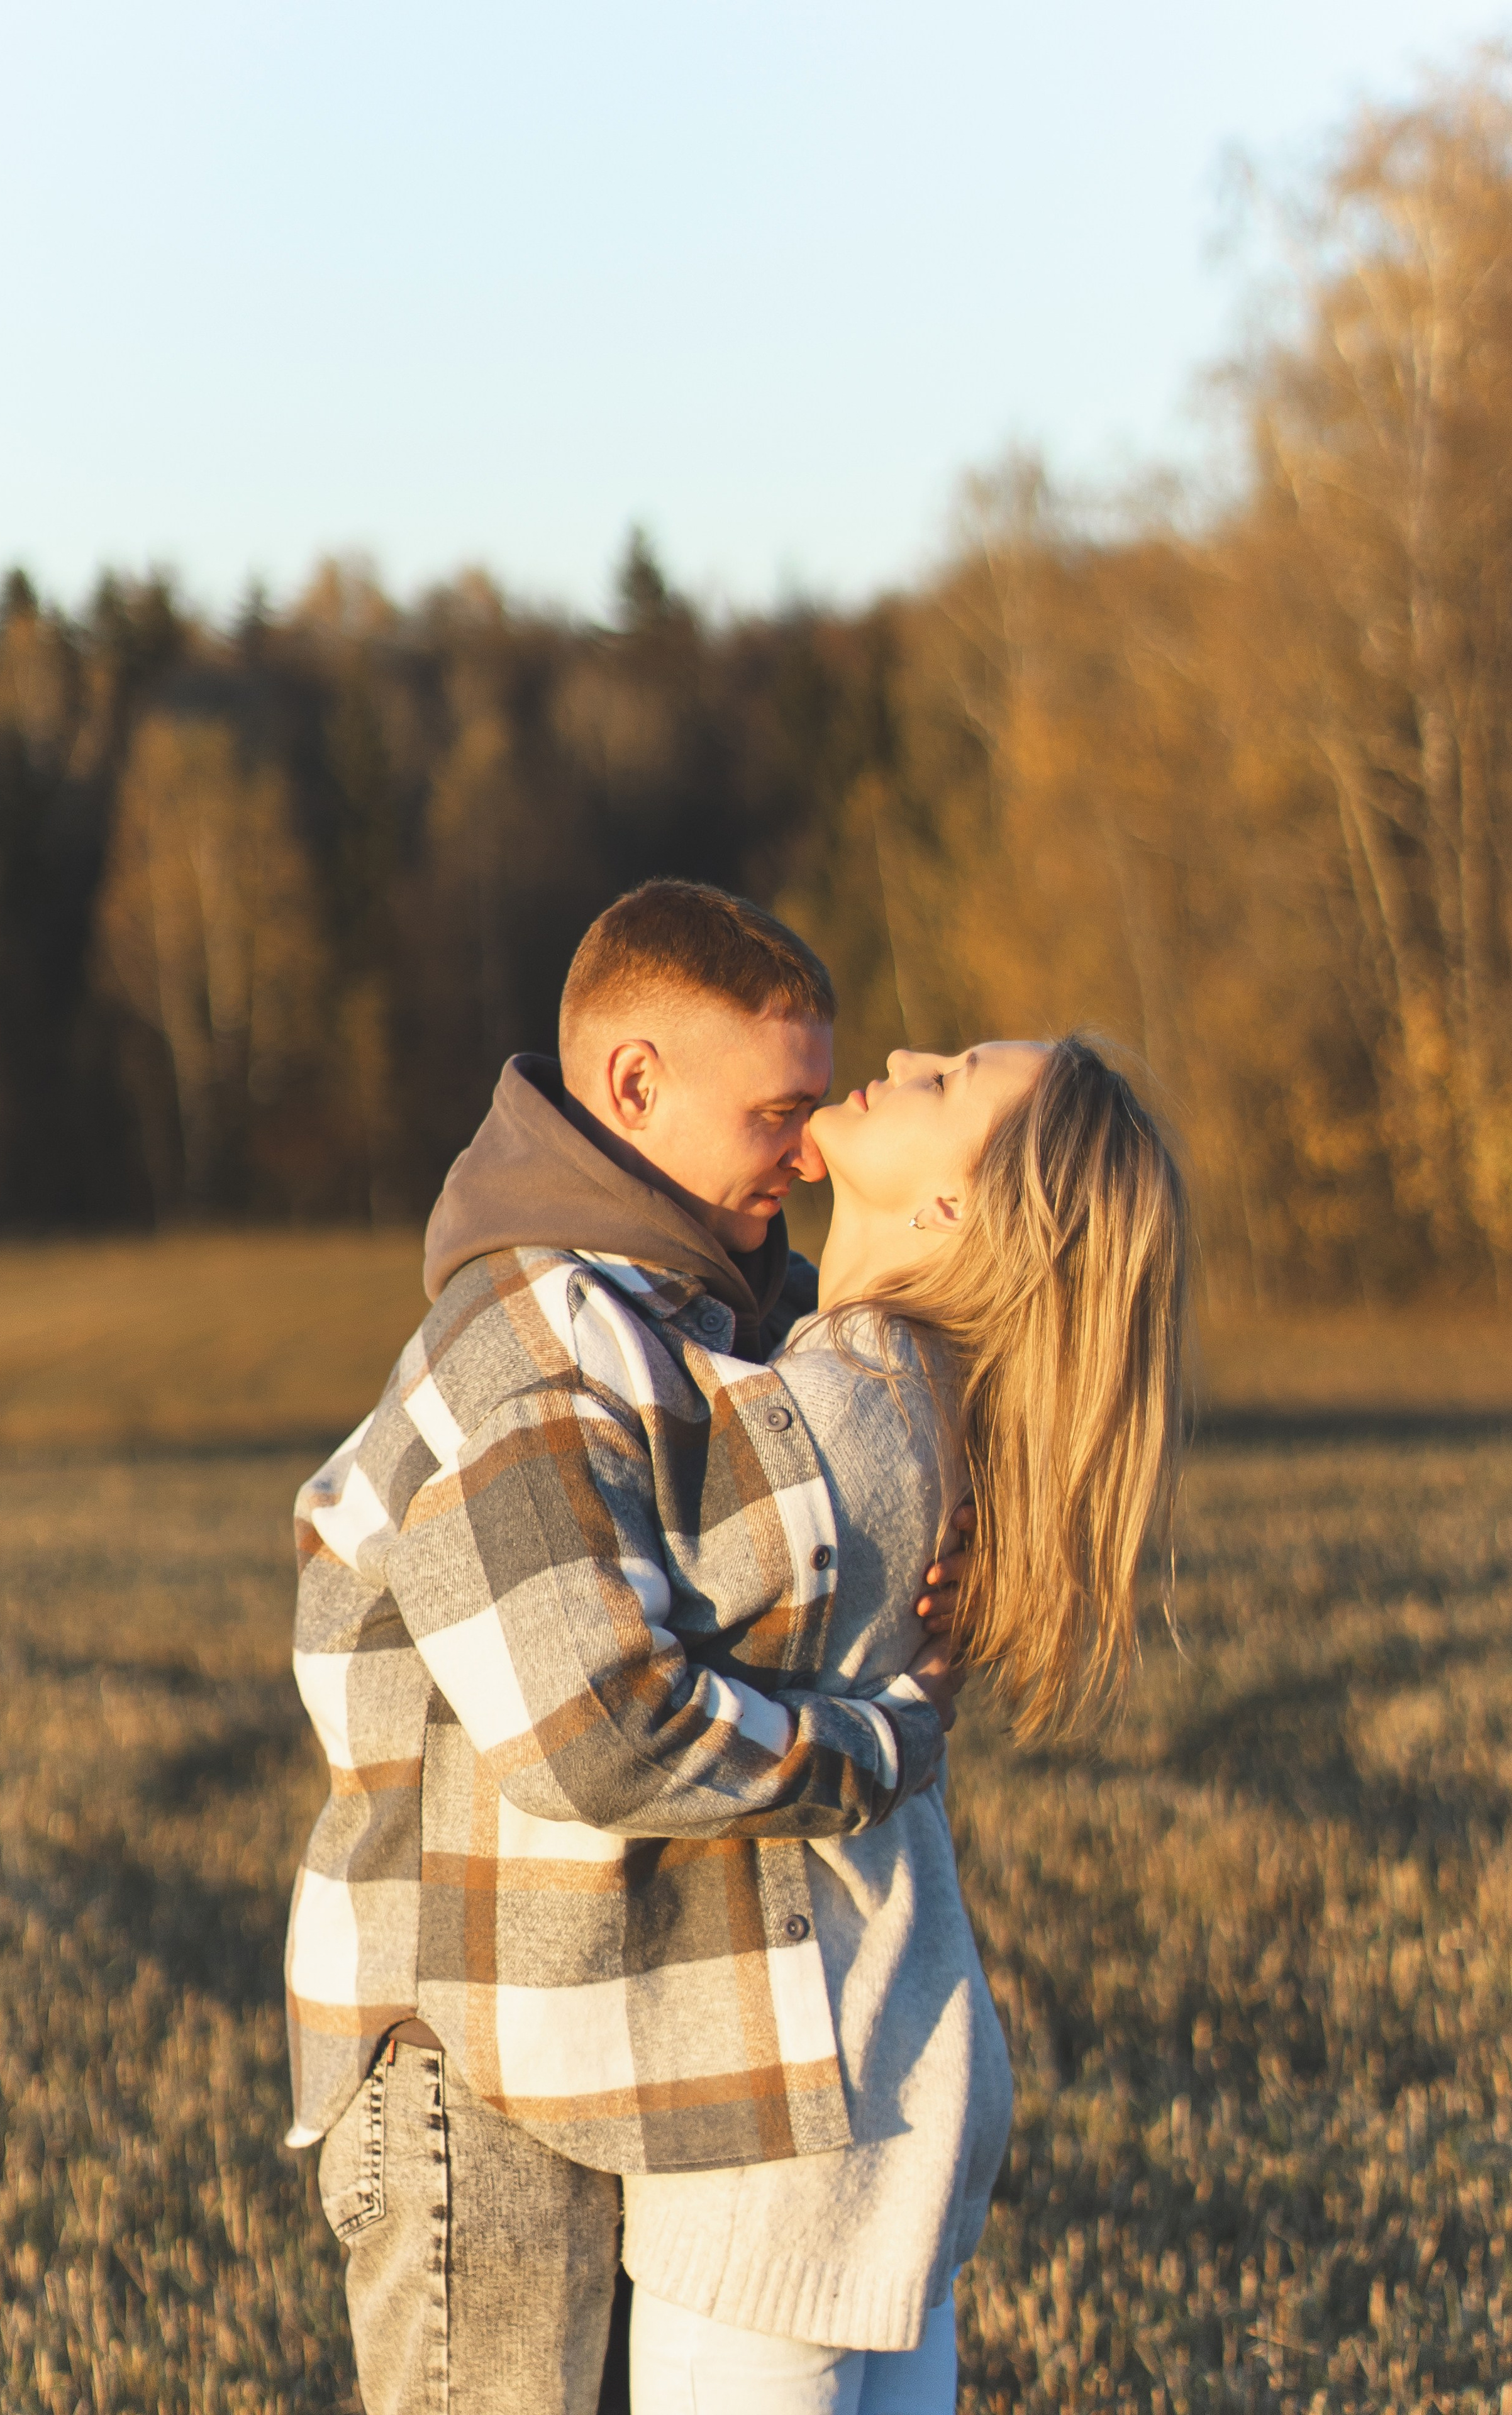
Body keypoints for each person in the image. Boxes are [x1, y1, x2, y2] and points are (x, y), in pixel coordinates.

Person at [284, 883, 973, 2415]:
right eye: (777, 1112)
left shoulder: (702, 1324)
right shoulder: (529, 1331)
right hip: (470, 2067)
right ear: (635, 1086)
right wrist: (882, 1739)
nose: (806, 1151)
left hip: (596, 2045)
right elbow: (605, 1727)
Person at [621, 1033, 1191, 2412]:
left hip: (787, 2138)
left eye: (944, 1083)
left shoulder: (837, 1417)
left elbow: (595, 1649)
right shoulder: (907, 1399)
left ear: (954, 1213)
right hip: (879, 2103)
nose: (898, 1054)